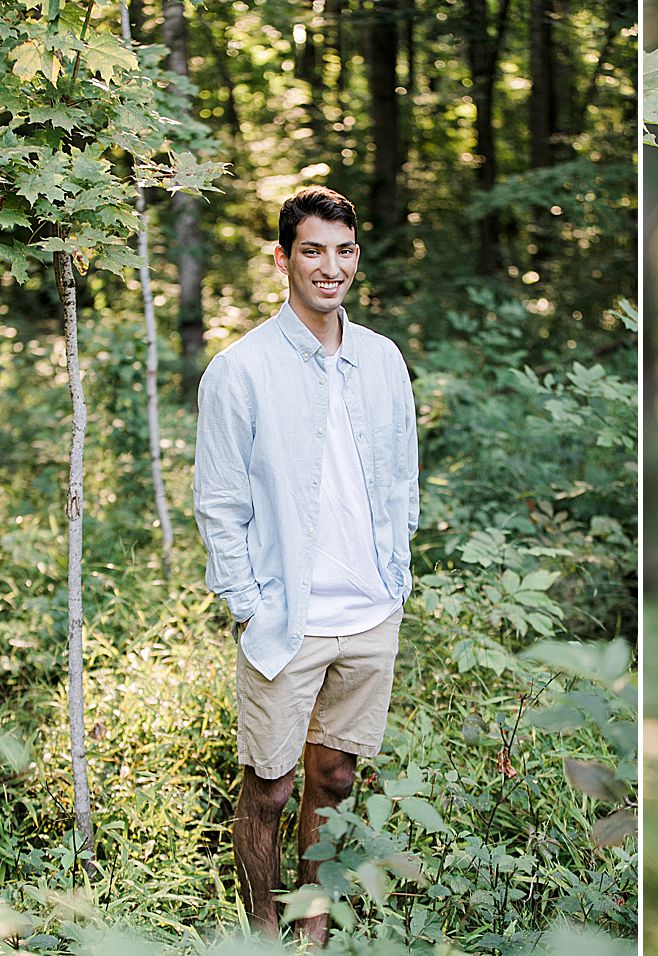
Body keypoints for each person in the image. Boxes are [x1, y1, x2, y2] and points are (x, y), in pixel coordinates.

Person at [194, 186, 419, 941]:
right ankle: (263, 931)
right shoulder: (241, 370)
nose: (331, 267)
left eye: (344, 250)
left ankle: (312, 926)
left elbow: (400, 479)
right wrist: (248, 604)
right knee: (270, 785)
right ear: (284, 257)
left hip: (369, 610)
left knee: (336, 777)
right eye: (313, 250)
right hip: (286, 618)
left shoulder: (382, 360)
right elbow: (220, 502)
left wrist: (396, 578)